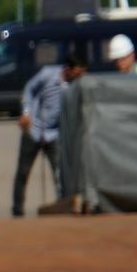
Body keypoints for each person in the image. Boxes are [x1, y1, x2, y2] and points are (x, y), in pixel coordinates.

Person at [14, 44, 82, 216]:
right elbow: (29, 89)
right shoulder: (47, 74)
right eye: (77, 72)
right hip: (34, 129)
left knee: (59, 174)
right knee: (23, 172)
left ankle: (63, 206)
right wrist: (26, 113)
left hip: (54, 134)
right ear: (68, 69)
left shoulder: (76, 85)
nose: (79, 76)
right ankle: (17, 210)